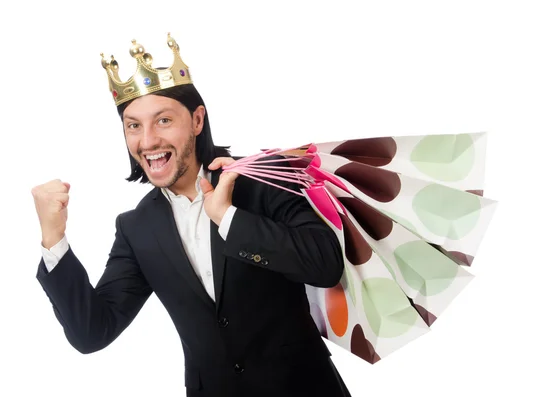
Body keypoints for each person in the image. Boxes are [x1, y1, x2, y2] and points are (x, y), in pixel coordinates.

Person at [32, 34, 352, 397]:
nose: (148, 141)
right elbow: (92, 332)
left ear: (197, 120)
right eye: (133, 125)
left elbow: (325, 264)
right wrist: (53, 239)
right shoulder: (137, 228)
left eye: (164, 120)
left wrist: (229, 217)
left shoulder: (262, 177)